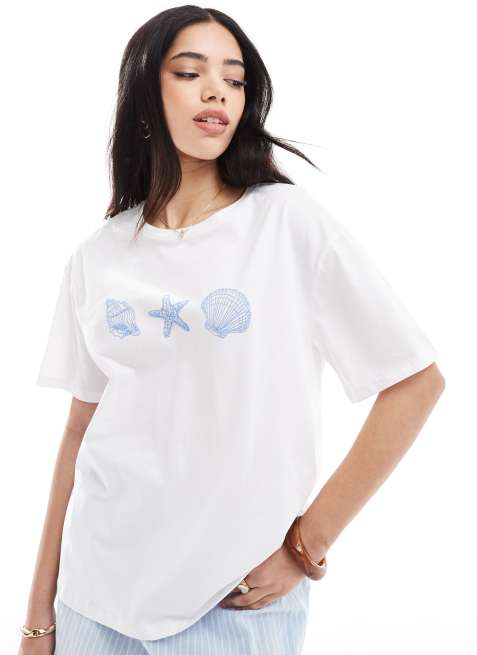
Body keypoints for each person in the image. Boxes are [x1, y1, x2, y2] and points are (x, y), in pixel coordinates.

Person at [18, 6, 445, 655]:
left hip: (231, 605)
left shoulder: (286, 223)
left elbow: (414, 382)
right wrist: (39, 617)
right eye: (190, 72)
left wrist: (307, 545)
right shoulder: (97, 256)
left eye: (235, 78)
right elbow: (81, 431)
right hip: (94, 601)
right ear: (144, 94)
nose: (217, 90)